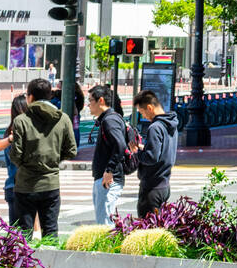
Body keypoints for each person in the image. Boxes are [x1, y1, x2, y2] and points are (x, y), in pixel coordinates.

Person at [10, 77, 77, 237]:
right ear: (49, 96)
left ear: (30, 97)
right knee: (51, 231)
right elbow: (72, 150)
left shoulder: (21, 120)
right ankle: (51, 262)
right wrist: (53, 159)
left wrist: (26, 163)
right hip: (51, 183)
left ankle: (25, 262)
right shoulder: (63, 118)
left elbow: (16, 155)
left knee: (24, 234)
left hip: (26, 184)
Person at [133, 89, 179, 219]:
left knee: (147, 230)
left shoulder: (155, 127)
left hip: (151, 188)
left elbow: (151, 157)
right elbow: (163, 151)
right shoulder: (171, 124)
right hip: (164, 185)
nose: (144, 117)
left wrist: (137, 152)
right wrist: (144, 147)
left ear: (149, 107)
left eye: (142, 112)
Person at [87, 85, 128, 225]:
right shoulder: (109, 119)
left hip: (108, 179)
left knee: (105, 224)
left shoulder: (109, 120)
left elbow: (120, 145)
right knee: (104, 220)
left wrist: (109, 170)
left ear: (101, 101)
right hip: (105, 178)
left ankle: (107, 248)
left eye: (90, 100)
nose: (88, 105)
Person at [2, 93, 28, 222]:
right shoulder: (17, 133)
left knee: (18, 235)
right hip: (21, 188)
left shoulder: (9, 132)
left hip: (13, 186)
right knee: (23, 235)